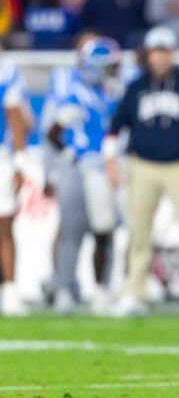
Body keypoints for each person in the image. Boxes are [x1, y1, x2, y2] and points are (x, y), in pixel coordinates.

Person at [103, 26, 179, 318]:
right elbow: (116, 126)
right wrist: (111, 162)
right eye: (155, 51)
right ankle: (134, 293)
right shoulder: (136, 86)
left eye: (164, 51)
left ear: (173, 53)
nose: (160, 57)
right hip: (143, 166)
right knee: (139, 232)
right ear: (149, 54)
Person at [46, 38, 123, 315]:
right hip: (79, 169)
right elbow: (53, 134)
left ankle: (101, 290)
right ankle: (64, 289)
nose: (115, 71)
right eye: (110, 66)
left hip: (105, 168)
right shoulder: (74, 92)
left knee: (105, 231)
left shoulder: (114, 93)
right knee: (72, 232)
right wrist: (71, 159)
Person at [0, 54, 29, 316]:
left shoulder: (5, 69)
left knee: (4, 223)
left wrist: (20, 160)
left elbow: (14, 115)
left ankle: (9, 289)